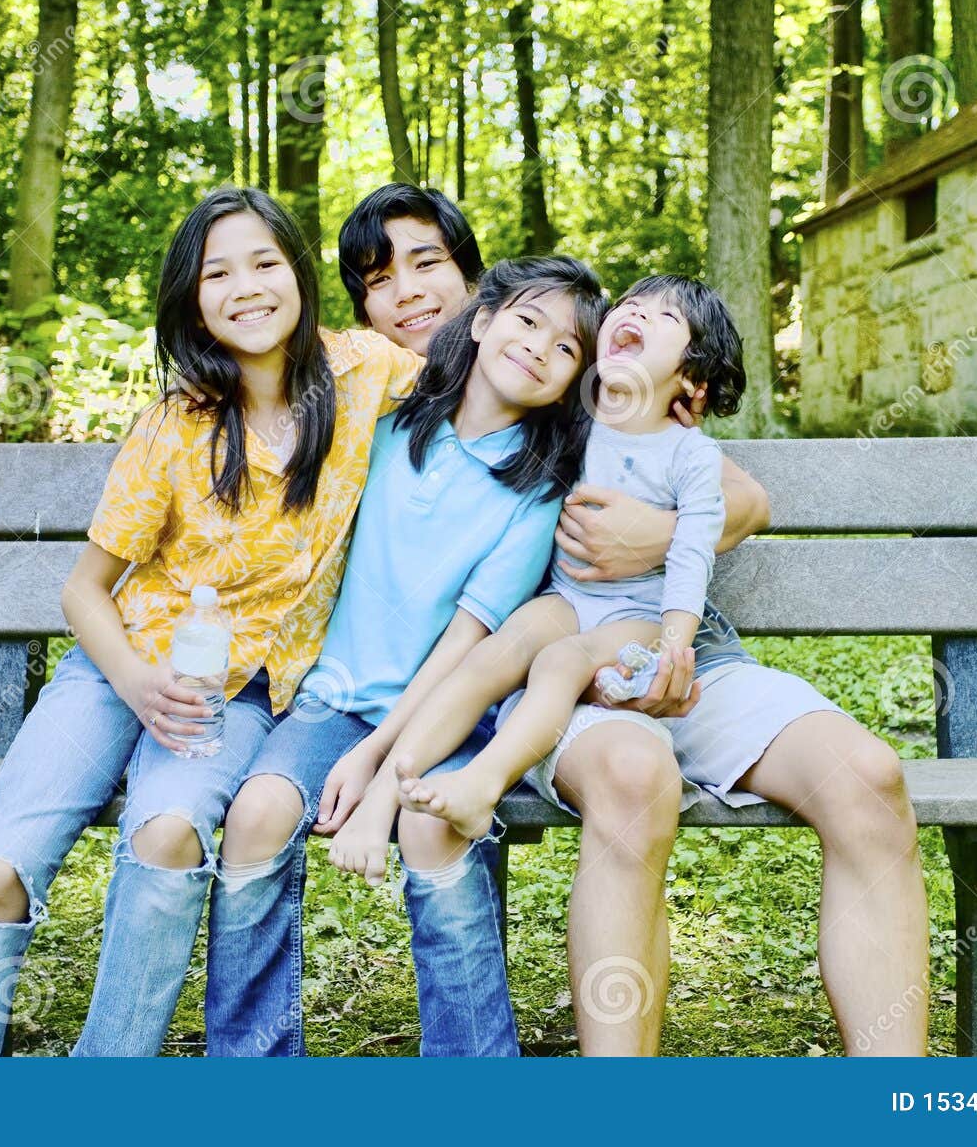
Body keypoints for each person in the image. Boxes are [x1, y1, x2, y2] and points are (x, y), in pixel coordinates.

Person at [336, 183, 929, 1057]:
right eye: (381, 283)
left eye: (430, 268)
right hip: (564, 675)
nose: (409, 296)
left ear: (480, 288)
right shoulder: (410, 402)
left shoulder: (580, 384)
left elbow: (743, 496)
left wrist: (660, 534)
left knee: (870, 779)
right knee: (628, 771)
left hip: (689, 657)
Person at [0, 186, 422, 1056]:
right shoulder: (177, 423)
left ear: (298, 273)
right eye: (218, 273)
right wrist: (137, 684)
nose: (246, 287)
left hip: (240, 696)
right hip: (118, 674)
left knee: (169, 837)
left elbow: (499, 383)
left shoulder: (368, 373)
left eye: (265, 263)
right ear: (192, 299)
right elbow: (84, 591)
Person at [205, 256, 605, 1055]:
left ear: (572, 385)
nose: (538, 348)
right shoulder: (384, 426)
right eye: (527, 320)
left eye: (567, 349)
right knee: (255, 815)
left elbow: (468, 647)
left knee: (431, 831)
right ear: (483, 317)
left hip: (451, 712)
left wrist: (385, 768)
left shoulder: (535, 493)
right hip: (329, 701)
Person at [391, 275, 743, 841]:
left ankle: (483, 785)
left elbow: (693, 552)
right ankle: (396, 782)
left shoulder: (691, 455)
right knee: (492, 654)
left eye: (667, 319)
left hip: (641, 615)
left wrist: (676, 643)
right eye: (633, 305)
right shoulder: (574, 419)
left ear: (692, 379)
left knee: (559, 662)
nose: (640, 316)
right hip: (569, 598)